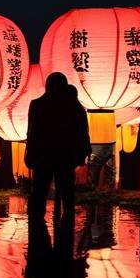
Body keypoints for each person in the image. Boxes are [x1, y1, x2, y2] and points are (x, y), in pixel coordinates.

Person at [25, 72, 90, 223]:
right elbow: (82, 131)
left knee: (39, 190)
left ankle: (36, 229)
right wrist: (83, 151)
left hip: (43, 155)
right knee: (67, 191)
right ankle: (66, 228)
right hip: (65, 155)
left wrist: (30, 152)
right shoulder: (74, 106)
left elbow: (32, 132)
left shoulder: (37, 104)